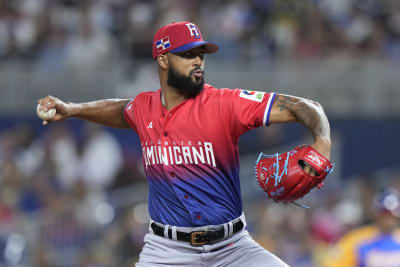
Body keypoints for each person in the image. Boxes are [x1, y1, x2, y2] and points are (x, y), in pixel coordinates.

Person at [38, 21, 331, 267]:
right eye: (188, 54)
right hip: (166, 251)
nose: (198, 61)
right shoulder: (143, 107)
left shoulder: (225, 104)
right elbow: (120, 110)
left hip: (233, 248)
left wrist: (323, 143)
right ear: (163, 59)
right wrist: (74, 109)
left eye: (200, 54)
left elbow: (303, 107)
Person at [322, 188, 400, 267]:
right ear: (376, 213)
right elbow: (334, 264)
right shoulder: (357, 239)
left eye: (392, 212)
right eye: (384, 212)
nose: (388, 217)